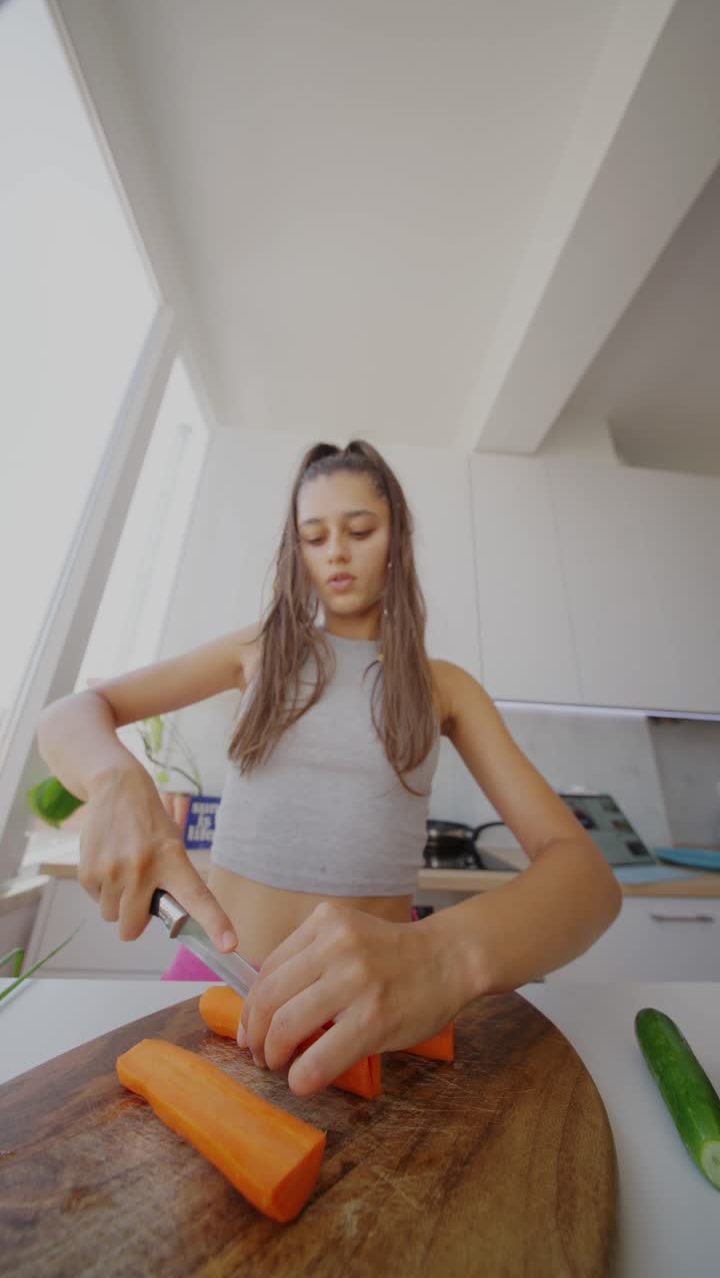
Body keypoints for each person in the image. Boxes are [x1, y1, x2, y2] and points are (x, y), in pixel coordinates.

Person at [37, 439, 621, 1097]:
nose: (337, 552)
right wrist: (115, 779)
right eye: (314, 537)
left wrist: (445, 956)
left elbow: (589, 880)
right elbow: (72, 712)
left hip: (372, 1014)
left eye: (360, 530)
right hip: (213, 985)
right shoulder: (254, 651)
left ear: (395, 539)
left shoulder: (446, 688)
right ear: (298, 554)